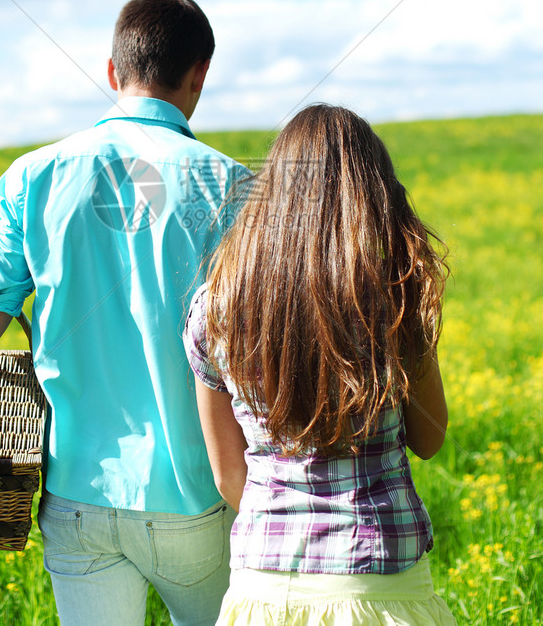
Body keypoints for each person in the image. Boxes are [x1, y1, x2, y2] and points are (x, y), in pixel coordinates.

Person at [0, 0, 250, 626]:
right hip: (199, 491)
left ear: (113, 72)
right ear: (201, 75)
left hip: (76, 495)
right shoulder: (238, 187)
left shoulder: (33, 175)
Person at [183, 103, 456, 625]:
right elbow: (430, 437)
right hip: (381, 586)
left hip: (262, 588)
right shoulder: (394, 298)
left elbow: (228, 476)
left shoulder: (215, 309)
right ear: (372, 196)